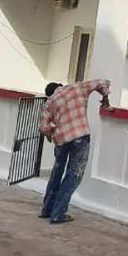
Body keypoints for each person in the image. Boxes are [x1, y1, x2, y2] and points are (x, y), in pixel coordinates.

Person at [39, 78, 110, 224]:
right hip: (80, 136)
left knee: (56, 172)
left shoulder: (49, 102)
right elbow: (102, 82)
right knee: (73, 174)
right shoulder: (78, 88)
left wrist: (52, 129)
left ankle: (47, 209)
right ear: (60, 86)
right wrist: (105, 98)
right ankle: (58, 213)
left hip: (61, 139)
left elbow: (44, 128)